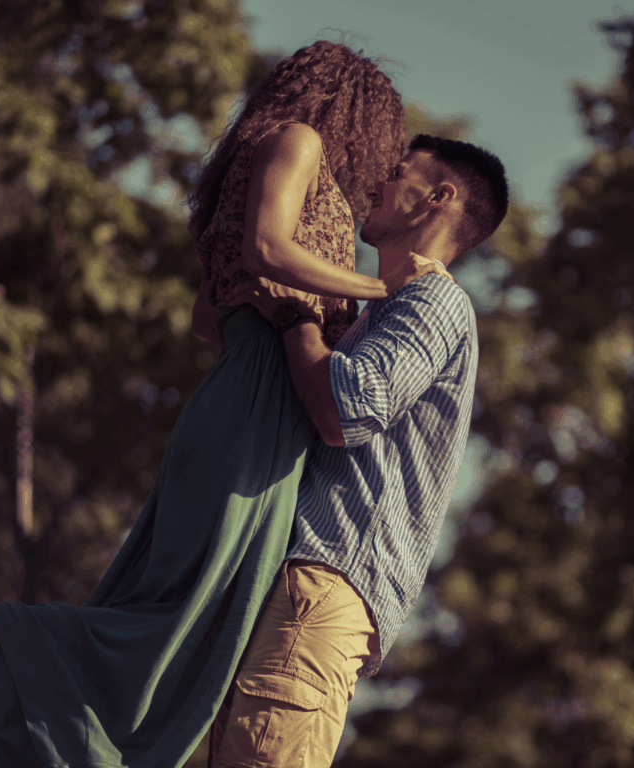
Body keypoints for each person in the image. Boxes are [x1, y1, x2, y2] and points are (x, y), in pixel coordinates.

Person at [0, 42, 449, 768]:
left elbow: (205, 319)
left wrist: (283, 320)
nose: (376, 163)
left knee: (191, 620)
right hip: (254, 410)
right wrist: (376, 291)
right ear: (354, 113)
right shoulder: (296, 141)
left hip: (248, 400)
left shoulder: (255, 158)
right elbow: (269, 246)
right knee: (183, 617)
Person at [208, 134, 509, 768]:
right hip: (296, 585)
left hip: (323, 586)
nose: (376, 182)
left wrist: (299, 319)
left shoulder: (436, 301)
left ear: (439, 197)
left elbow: (346, 412)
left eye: (397, 173)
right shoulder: (381, 309)